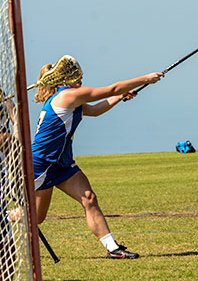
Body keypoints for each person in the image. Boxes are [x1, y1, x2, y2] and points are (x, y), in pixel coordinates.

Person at [31, 55, 163, 259]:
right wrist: (145, 78)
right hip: (43, 164)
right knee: (36, 218)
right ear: (66, 79)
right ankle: (5, 216)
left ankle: (113, 249)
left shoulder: (71, 98)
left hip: (62, 162)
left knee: (89, 198)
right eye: (77, 76)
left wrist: (120, 97)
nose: (81, 80)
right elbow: (111, 89)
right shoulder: (67, 96)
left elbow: (95, 110)